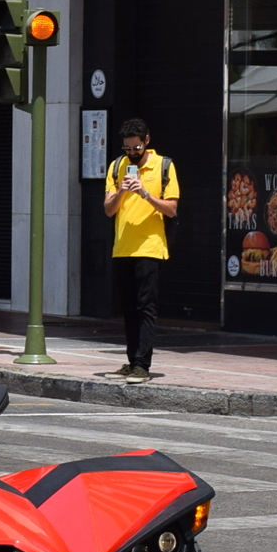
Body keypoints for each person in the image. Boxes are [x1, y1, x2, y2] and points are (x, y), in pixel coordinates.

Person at [101, 118, 178, 384]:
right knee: (128, 308)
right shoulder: (117, 167)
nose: (132, 153)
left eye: (136, 148)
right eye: (127, 148)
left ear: (146, 141)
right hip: (123, 247)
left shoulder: (164, 165)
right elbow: (109, 210)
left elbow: (171, 209)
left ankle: (143, 365)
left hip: (150, 248)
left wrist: (145, 193)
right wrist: (122, 191)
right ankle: (132, 360)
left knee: (146, 307)